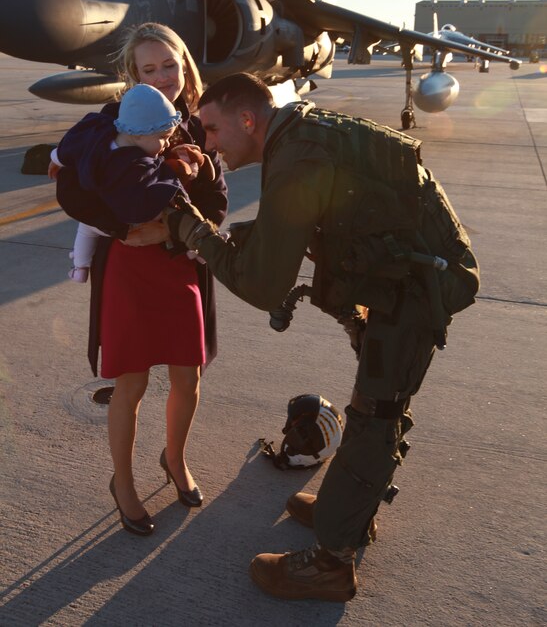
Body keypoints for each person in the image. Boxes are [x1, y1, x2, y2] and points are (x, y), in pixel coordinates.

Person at [159, 72, 479, 601]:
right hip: (405, 273)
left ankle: (332, 563)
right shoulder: (299, 132)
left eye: (213, 131)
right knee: (369, 404)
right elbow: (310, 215)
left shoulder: (297, 157)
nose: (209, 144)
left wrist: (194, 231)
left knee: (377, 413)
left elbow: (263, 286)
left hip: (418, 287)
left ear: (247, 119)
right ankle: (347, 512)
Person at [54, 23, 227, 537]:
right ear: (131, 75)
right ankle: (123, 484)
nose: (163, 77)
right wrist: (125, 227)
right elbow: (69, 188)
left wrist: (168, 234)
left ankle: (174, 459)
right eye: (149, 69)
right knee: (130, 382)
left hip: (180, 265)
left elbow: (217, 202)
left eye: (169, 65)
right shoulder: (112, 121)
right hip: (128, 268)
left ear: (185, 64)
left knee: (188, 376)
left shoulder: (199, 126)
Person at [50, 84, 207, 283]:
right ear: (139, 133)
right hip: (134, 223)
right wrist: (174, 174)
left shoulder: (99, 138)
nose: (167, 144)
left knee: (86, 228)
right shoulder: (136, 163)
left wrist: (56, 159)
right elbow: (163, 187)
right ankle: (196, 247)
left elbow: (71, 145)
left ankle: (80, 266)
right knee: (176, 208)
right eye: (163, 138)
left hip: (106, 222)